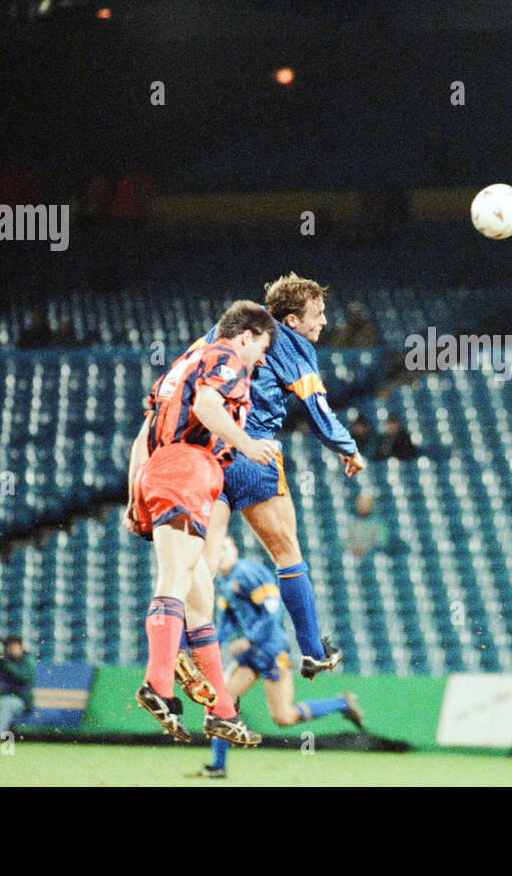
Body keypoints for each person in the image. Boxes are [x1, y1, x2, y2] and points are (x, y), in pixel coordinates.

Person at [189, 274, 366, 690]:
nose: (323, 322)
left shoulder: (229, 328)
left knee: (204, 562)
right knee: (287, 552)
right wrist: (347, 448)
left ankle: (184, 650)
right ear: (290, 319)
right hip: (253, 453)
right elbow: (317, 409)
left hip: (207, 451)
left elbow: (189, 370)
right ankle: (312, 650)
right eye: (317, 315)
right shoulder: (294, 347)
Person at [123, 299, 279, 744]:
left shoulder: (182, 364)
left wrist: (135, 494)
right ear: (245, 335)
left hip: (166, 470)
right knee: (175, 578)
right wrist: (248, 444)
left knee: (199, 599)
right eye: (262, 347)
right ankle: (157, 684)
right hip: (188, 468)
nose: (262, 358)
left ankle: (222, 712)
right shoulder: (226, 356)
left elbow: (143, 436)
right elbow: (210, 406)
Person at [196, 551, 364, 779]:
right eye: (219, 549)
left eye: (226, 548)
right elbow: (226, 624)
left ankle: (342, 702)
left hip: (272, 652)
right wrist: (209, 648)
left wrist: (250, 639)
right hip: (251, 656)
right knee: (222, 700)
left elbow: (273, 611)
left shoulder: (247, 573)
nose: (222, 553)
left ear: (235, 550)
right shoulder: (225, 583)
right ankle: (218, 765)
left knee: (284, 717)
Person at [0, 636, 35, 740]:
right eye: (10, 646)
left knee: (5, 704)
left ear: (21, 647)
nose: (12, 648)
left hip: (22, 701)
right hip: (3, 698)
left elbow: (23, 677)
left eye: (15, 646)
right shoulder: (4, 661)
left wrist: (3, 660)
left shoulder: (27, 660)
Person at [346, 494, 389, 559]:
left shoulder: (379, 524)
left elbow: (381, 543)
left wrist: (363, 551)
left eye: (366, 504)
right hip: (355, 557)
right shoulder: (355, 524)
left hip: (372, 558)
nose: (362, 506)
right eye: (360, 504)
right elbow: (350, 542)